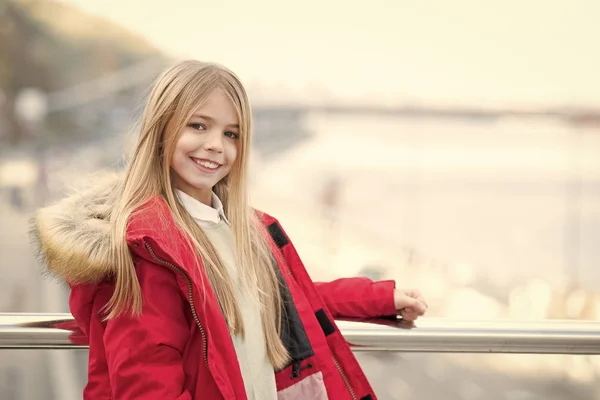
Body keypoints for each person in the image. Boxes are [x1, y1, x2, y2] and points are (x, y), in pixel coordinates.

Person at [31, 60, 427, 400]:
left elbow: (287, 299)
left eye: (230, 133)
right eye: (198, 126)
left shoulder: (248, 230)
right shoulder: (148, 248)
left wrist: (379, 297)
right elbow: (148, 382)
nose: (215, 145)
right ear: (161, 130)